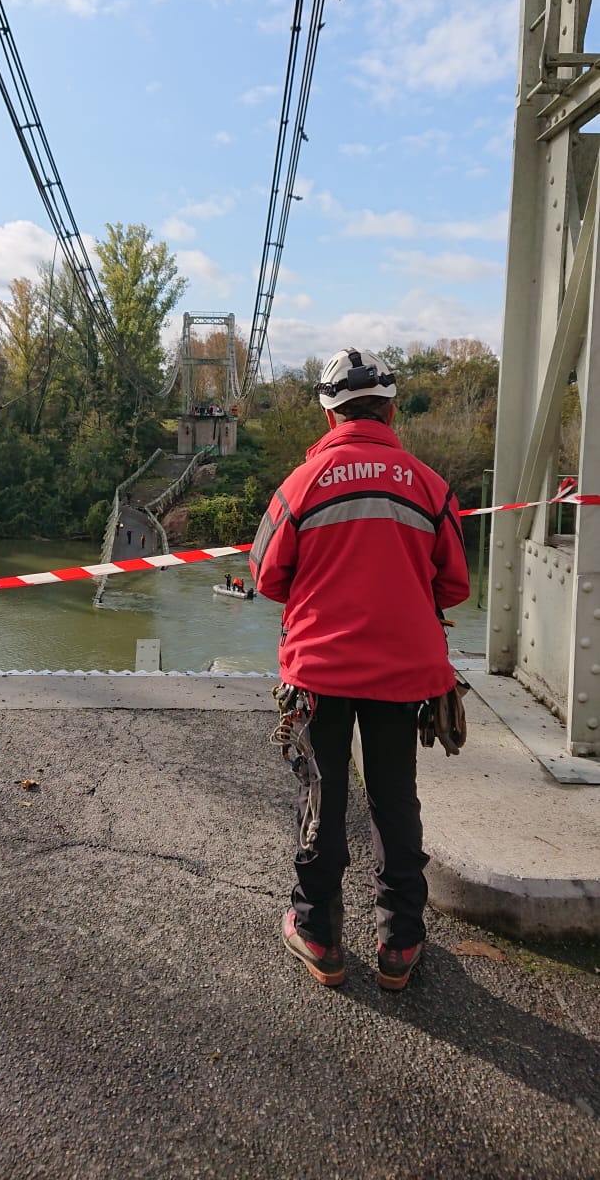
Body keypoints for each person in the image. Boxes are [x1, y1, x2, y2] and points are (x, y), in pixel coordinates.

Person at [249, 346, 469, 992]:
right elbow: (454, 585)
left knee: (322, 794)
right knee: (395, 799)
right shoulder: (428, 485)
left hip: (320, 670)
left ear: (329, 417)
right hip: (405, 673)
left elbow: (266, 577)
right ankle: (400, 942)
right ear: (393, 410)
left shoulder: (301, 484)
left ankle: (318, 935)